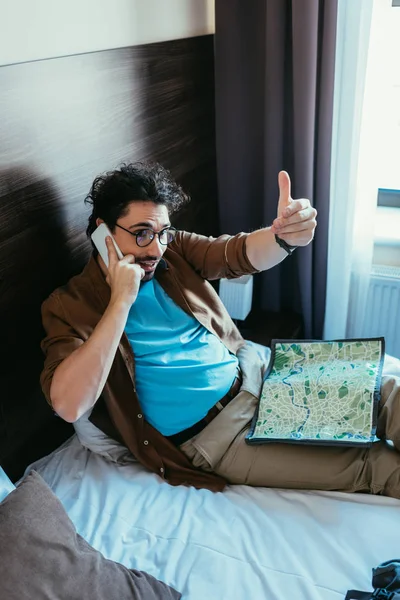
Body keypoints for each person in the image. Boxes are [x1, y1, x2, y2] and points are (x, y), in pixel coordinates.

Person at [41, 162, 400, 496]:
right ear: (103, 229)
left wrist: (284, 237)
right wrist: (120, 301)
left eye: (162, 232)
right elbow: (69, 405)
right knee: (373, 465)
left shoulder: (173, 250)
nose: (155, 248)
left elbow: (235, 253)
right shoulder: (70, 305)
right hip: (219, 438)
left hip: (260, 379)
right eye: (141, 234)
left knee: (386, 388)